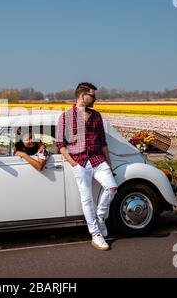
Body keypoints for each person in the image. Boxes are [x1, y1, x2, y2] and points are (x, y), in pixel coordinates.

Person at [56, 82, 118, 251]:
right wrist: (72, 162)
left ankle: (100, 216)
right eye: (92, 95)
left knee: (112, 187)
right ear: (83, 96)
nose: (95, 99)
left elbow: (103, 143)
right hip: (79, 161)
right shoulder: (65, 116)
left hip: (98, 159)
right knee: (87, 199)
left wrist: (109, 164)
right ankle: (95, 234)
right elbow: (60, 144)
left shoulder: (97, 116)